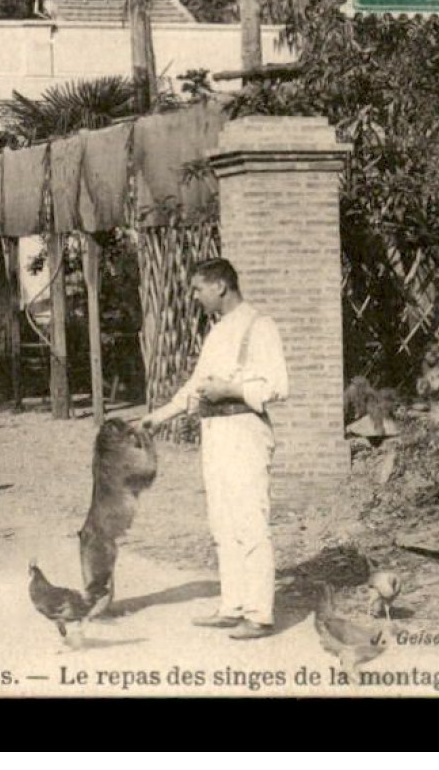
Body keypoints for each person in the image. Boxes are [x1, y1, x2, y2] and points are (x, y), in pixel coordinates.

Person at [141, 258, 288, 640]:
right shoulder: (218, 332)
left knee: (249, 520)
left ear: (220, 286)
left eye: (198, 289)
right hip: (216, 434)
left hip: (244, 430)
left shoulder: (260, 326)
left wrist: (232, 390)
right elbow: (196, 387)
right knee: (222, 522)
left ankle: (260, 614)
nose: (195, 296)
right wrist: (157, 417)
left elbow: (277, 385)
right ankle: (232, 605)